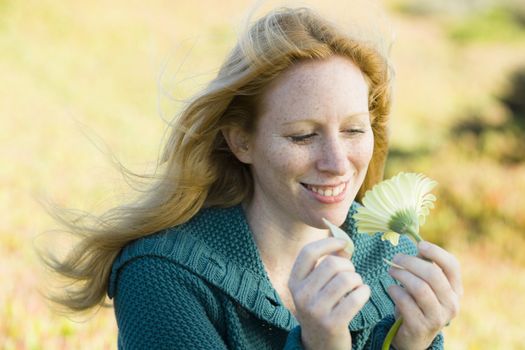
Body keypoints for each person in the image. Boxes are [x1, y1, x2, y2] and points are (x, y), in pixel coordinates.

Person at [41, 6, 462, 350]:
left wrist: (414, 342)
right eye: (303, 136)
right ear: (241, 142)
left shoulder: (394, 258)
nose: (337, 162)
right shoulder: (161, 275)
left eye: (354, 130)